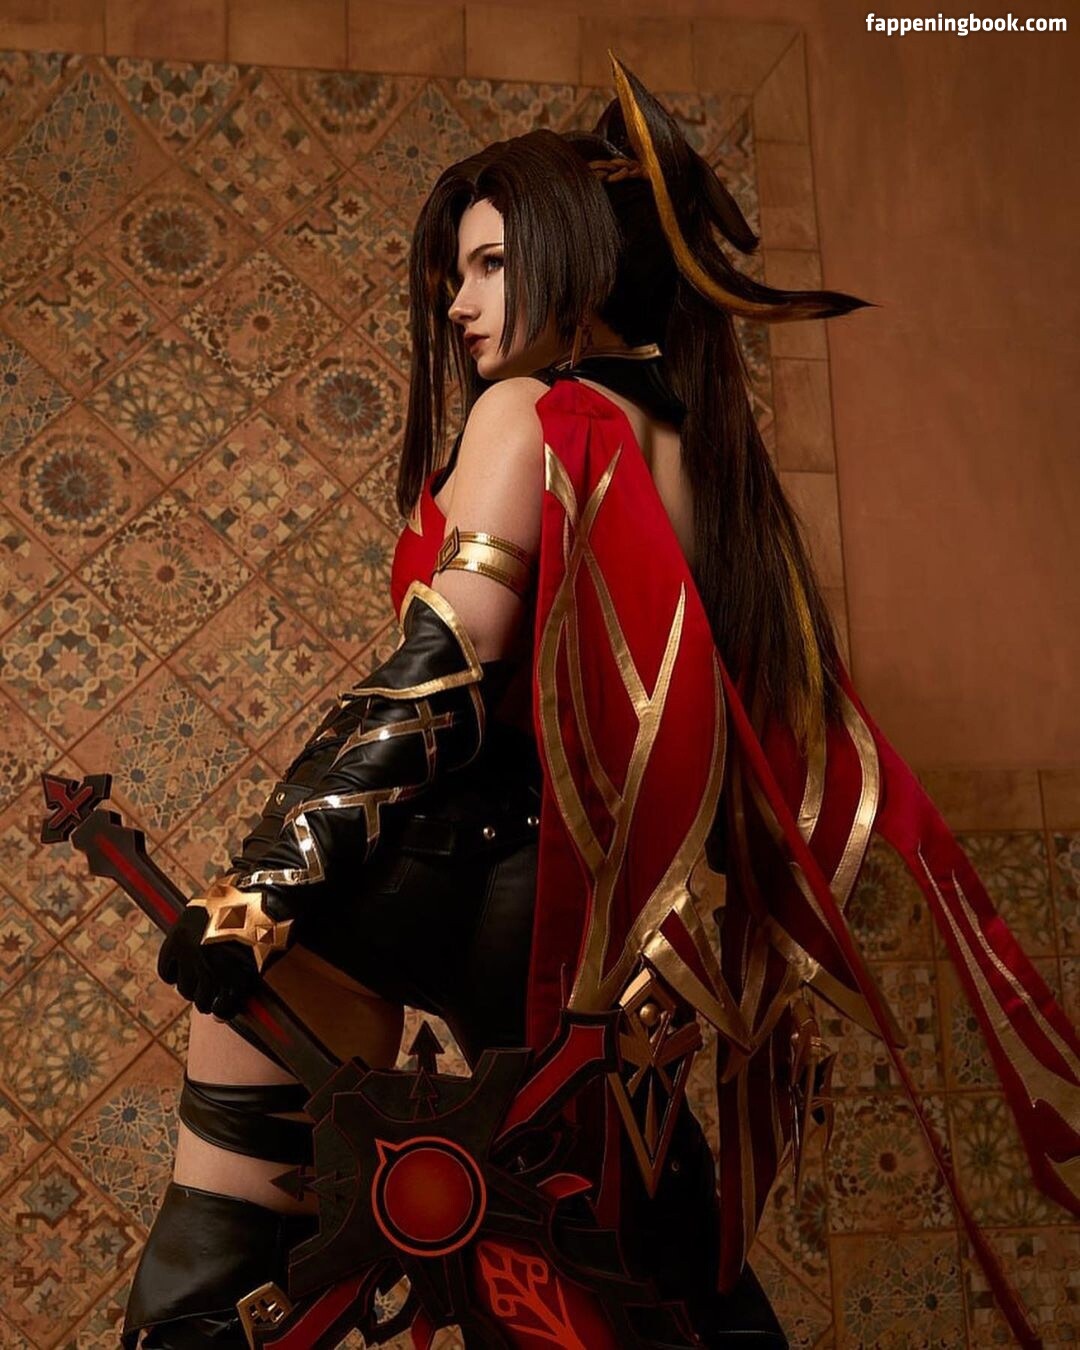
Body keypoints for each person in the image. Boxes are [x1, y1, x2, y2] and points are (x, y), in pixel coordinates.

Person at [123, 57, 1078, 1350]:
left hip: (441, 883)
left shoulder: (532, 411)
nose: (458, 303)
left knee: (221, 1228)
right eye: (454, 273)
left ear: (576, 262)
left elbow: (446, 674)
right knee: (645, 1271)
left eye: (488, 266)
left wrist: (262, 889)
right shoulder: (708, 458)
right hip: (605, 941)